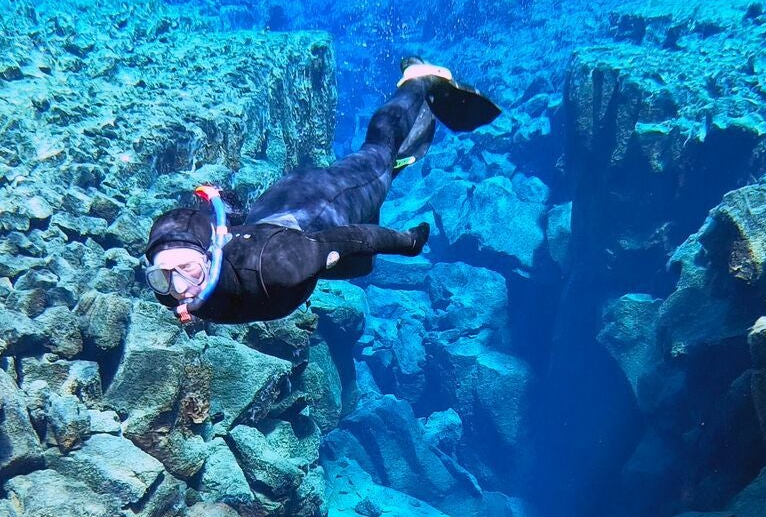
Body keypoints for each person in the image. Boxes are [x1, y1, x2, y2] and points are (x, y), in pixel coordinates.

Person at [142, 60, 501, 325]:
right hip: (277, 212)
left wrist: (408, 243)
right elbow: (225, 237)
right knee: (362, 268)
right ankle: (390, 169)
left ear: (209, 256)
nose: (180, 288)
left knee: (377, 151)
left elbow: (350, 237)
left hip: (322, 202)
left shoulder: (280, 267)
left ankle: (417, 83)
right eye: (164, 276)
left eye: (188, 270)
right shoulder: (172, 291)